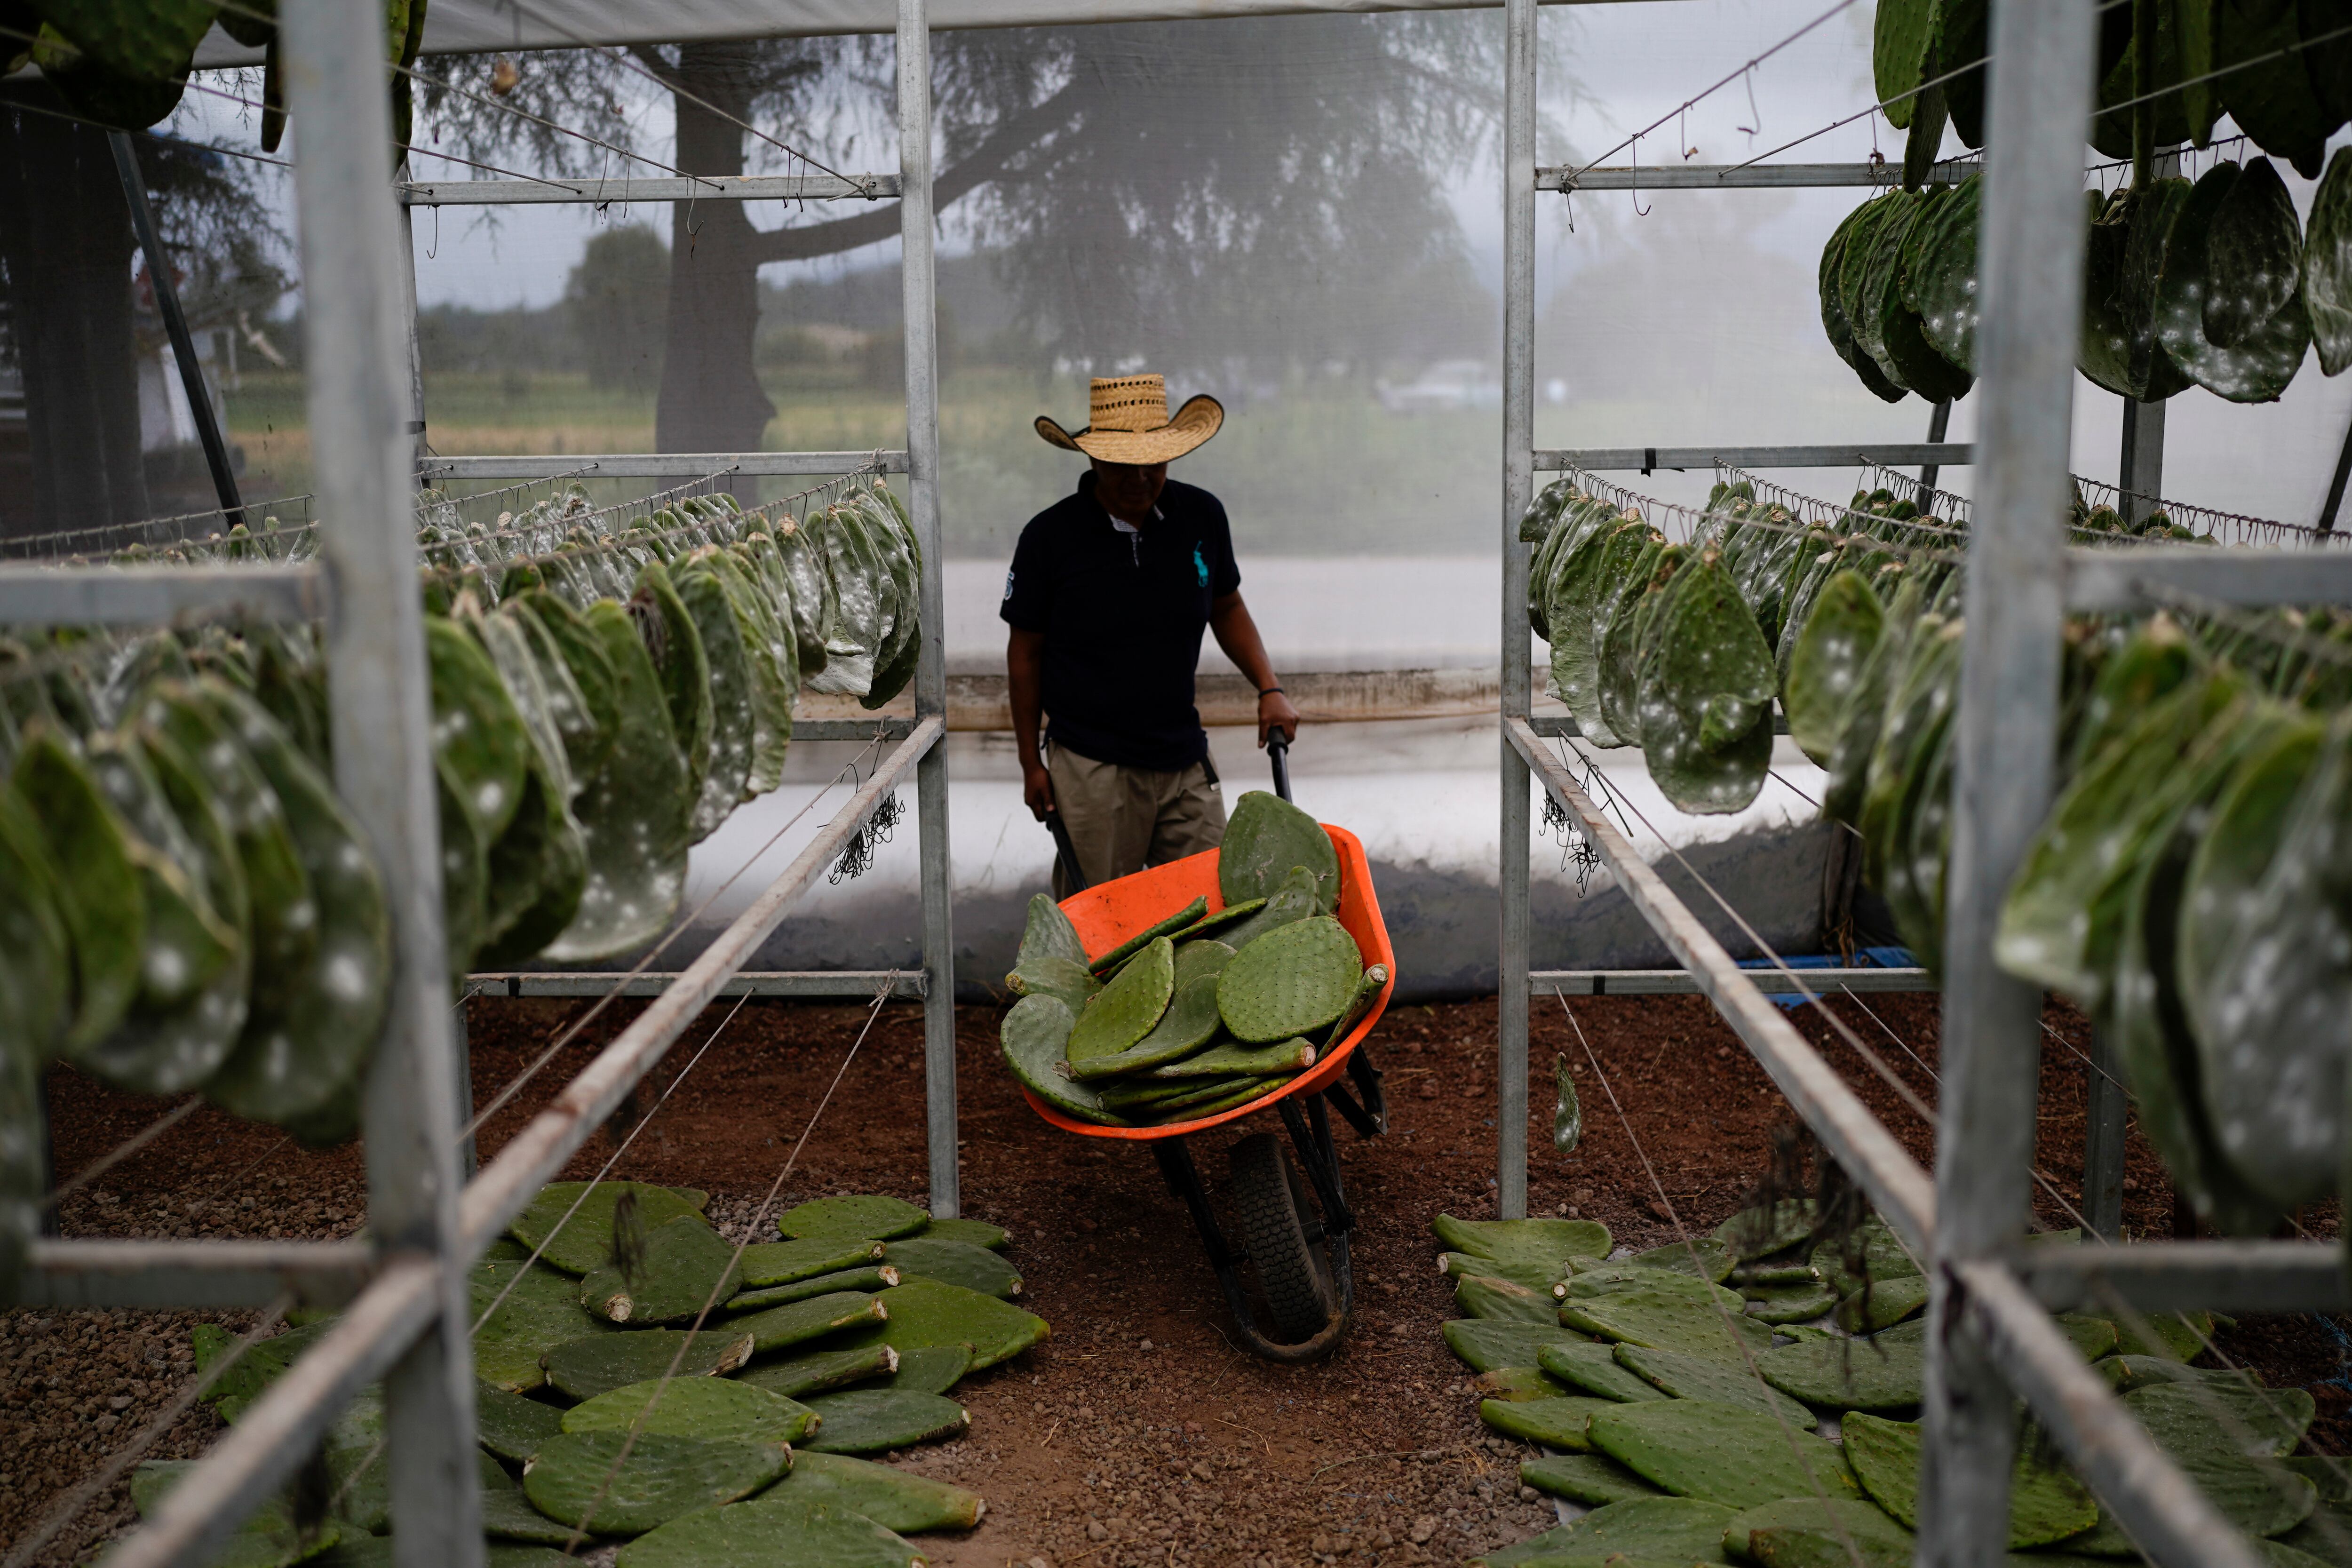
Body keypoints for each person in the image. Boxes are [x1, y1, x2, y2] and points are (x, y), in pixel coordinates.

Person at [1001, 373, 1301, 897]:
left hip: (1182, 754)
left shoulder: (1200, 516)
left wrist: (1268, 688)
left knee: (1212, 903)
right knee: (1098, 914)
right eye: (1122, 464)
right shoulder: (1049, 539)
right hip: (1091, 763)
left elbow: (1225, 604)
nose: (1140, 477)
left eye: (1154, 461)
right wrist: (1031, 763)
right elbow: (1024, 654)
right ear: (1093, 460)